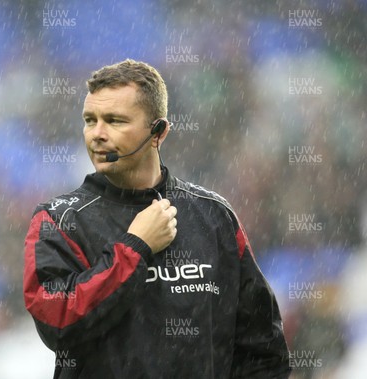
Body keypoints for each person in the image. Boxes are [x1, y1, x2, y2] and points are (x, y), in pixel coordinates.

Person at [23, 59, 290, 378]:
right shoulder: (59, 220)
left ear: (158, 133)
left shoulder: (213, 215)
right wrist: (134, 249)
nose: (97, 134)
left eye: (114, 121)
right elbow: (56, 321)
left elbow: (264, 351)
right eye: (90, 120)